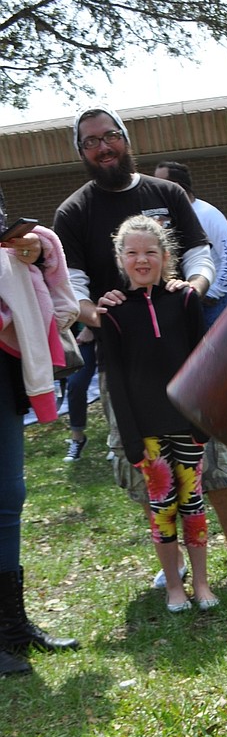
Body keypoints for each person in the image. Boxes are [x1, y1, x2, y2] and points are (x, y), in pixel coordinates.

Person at [53, 106, 227, 581]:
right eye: (91, 141)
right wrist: (107, 315)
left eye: (110, 136)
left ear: (125, 137)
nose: (103, 147)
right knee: (147, 460)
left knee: (212, 454)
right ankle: (172, 563)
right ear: (80, 151)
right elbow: (72, 289)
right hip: (125, 362)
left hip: (189, 354)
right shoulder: (74, 211)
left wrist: (190, 292)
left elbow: (201, 255)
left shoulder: (167, 193)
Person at [98, 215, 217, 613]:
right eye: (132, 253)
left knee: (194, 505)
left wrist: (204, 422)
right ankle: (173, 586)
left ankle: (201, 582)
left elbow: (204, 361)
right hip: (147, 433)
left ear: (166, 256)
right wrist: (131, 439)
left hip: (187, 425)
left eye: (150, 252)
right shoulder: (112, 313)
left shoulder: (184, 300)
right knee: (162, 509)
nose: (142, 260)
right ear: (120, 259)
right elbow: (115, 380)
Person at [0, 201, 80, 677]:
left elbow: (32, 256)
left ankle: (12, 627)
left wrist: (35, 250)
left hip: (5, 372)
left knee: (10, 494)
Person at [153, 160, 227, 329]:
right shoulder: (167, 216)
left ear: (176, 185)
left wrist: (213, 293)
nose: (154, 187)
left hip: (212, 303)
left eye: (159, 182)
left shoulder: (208, 214)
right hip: (184, 302)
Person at [63, 324, 97, 461]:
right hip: (79, 338)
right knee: (75, 383)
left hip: (110, 331)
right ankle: (78, 438)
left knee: (110, 385)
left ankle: (117, 440)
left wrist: (91, 328)